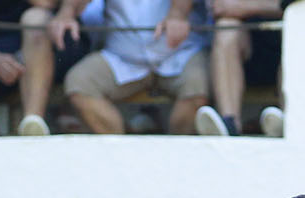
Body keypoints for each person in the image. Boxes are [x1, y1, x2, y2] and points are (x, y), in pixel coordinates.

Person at [51, 0, 212, 134]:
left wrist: (178, 14)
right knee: (80, 82)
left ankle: (177, 155)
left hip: (181, 53)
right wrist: (67, 13)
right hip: (121, 57)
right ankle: (122, 152)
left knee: (198, 86)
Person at [0, 0, 89, 136]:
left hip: (58, 39)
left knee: (34, 20)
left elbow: (46, 3)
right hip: (2, 47)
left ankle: (33, 125)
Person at [194, 0, 287, 137]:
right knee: (226, 26)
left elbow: (302, 7)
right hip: (247, 52)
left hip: (286, 46)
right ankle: (229, 124)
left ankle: (288, 120)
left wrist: (245, 6)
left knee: (297, 26)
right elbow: (221, 7)